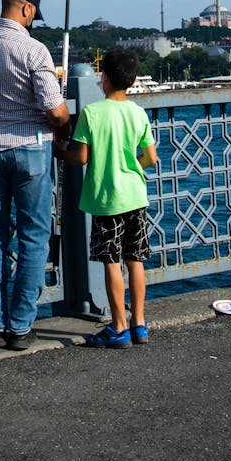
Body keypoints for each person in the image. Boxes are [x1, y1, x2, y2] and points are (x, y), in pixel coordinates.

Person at [0, 0, 70, 350]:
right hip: (30, 150)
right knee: (33, 237)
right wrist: (64, 127)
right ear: (27, 9)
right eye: (33, 15)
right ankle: (21, 326)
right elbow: (55, 111)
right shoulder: (34, 50)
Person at [55, 48, 157, 348]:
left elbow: (81, 157)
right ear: (133, 79)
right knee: (135, 260)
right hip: (135, 195)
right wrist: (130, 167)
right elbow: (150, 156)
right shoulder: (138, 112)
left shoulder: (92, 113)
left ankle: (119, 326)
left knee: (112, 262)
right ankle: (139, 324)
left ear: (104, 78)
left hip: (107, 199)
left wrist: (61, 151)